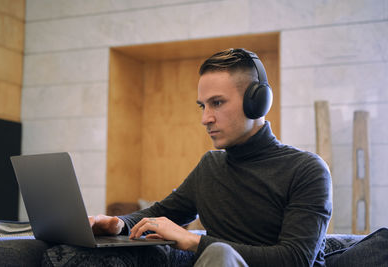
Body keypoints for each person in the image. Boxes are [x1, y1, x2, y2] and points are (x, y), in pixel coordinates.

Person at [89, 48, 332, 266]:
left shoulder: (307, 170)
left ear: (256, 103)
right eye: (202, 106)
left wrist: (194, 241)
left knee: (219, 256)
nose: (205, 119)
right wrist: (118, 224)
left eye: (217, 103)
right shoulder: (210, 166)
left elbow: (295, 259)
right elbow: (162, 211)